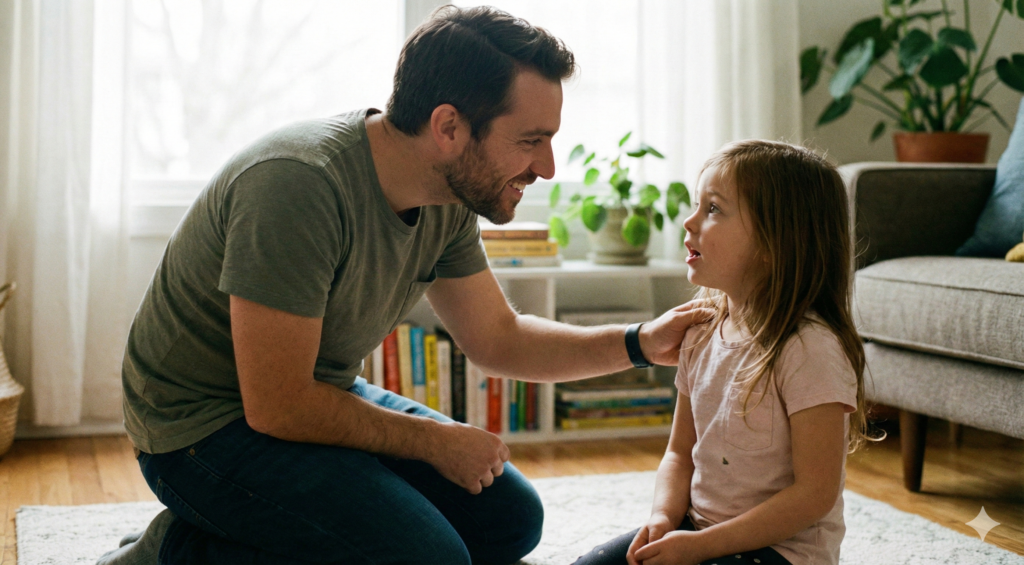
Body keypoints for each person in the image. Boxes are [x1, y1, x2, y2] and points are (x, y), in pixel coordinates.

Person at [98, 5, 711, 565]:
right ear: (448, 127)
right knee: (431, 558)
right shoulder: (297, 185)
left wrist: (639, 341)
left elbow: (499, 338)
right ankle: (176, 549)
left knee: (509, 523)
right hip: (199, 430)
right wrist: (434, 441)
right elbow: (277, 404)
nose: (547, 167)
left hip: (310, 395)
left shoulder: (447, 194)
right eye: (531, 140)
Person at [573, 140, 879, 565]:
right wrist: (664, 518)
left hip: (782, 552)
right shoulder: (699, 334)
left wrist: (701, 548)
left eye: (713, 209)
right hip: (697, 529)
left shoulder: (811, 350)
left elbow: (814, 495)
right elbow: (680, 452)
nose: (689, 221)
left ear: (775, 244)